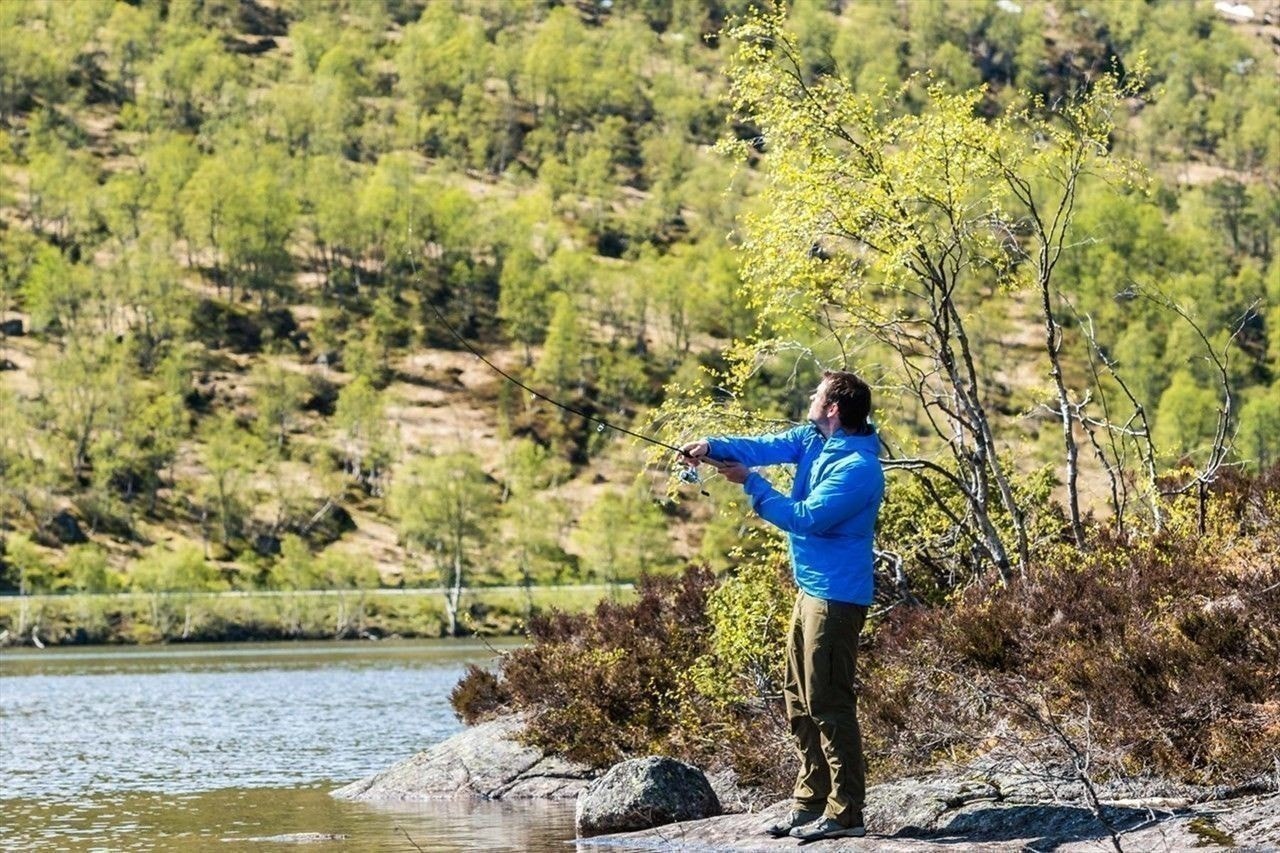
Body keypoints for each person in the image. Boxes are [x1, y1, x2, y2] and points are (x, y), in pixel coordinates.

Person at [681, 370, 884, 841]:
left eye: (817, 394)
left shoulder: (858, 468)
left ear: (834, 408)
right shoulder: (813, 439)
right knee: (798, 698)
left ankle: (847, 812)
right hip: (811, 590)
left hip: (837, 597)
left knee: (828, 702)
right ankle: (811, 801)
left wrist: (752, 484)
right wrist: (711, 447)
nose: (810, 399)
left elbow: (806, 519)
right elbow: (763, 445)